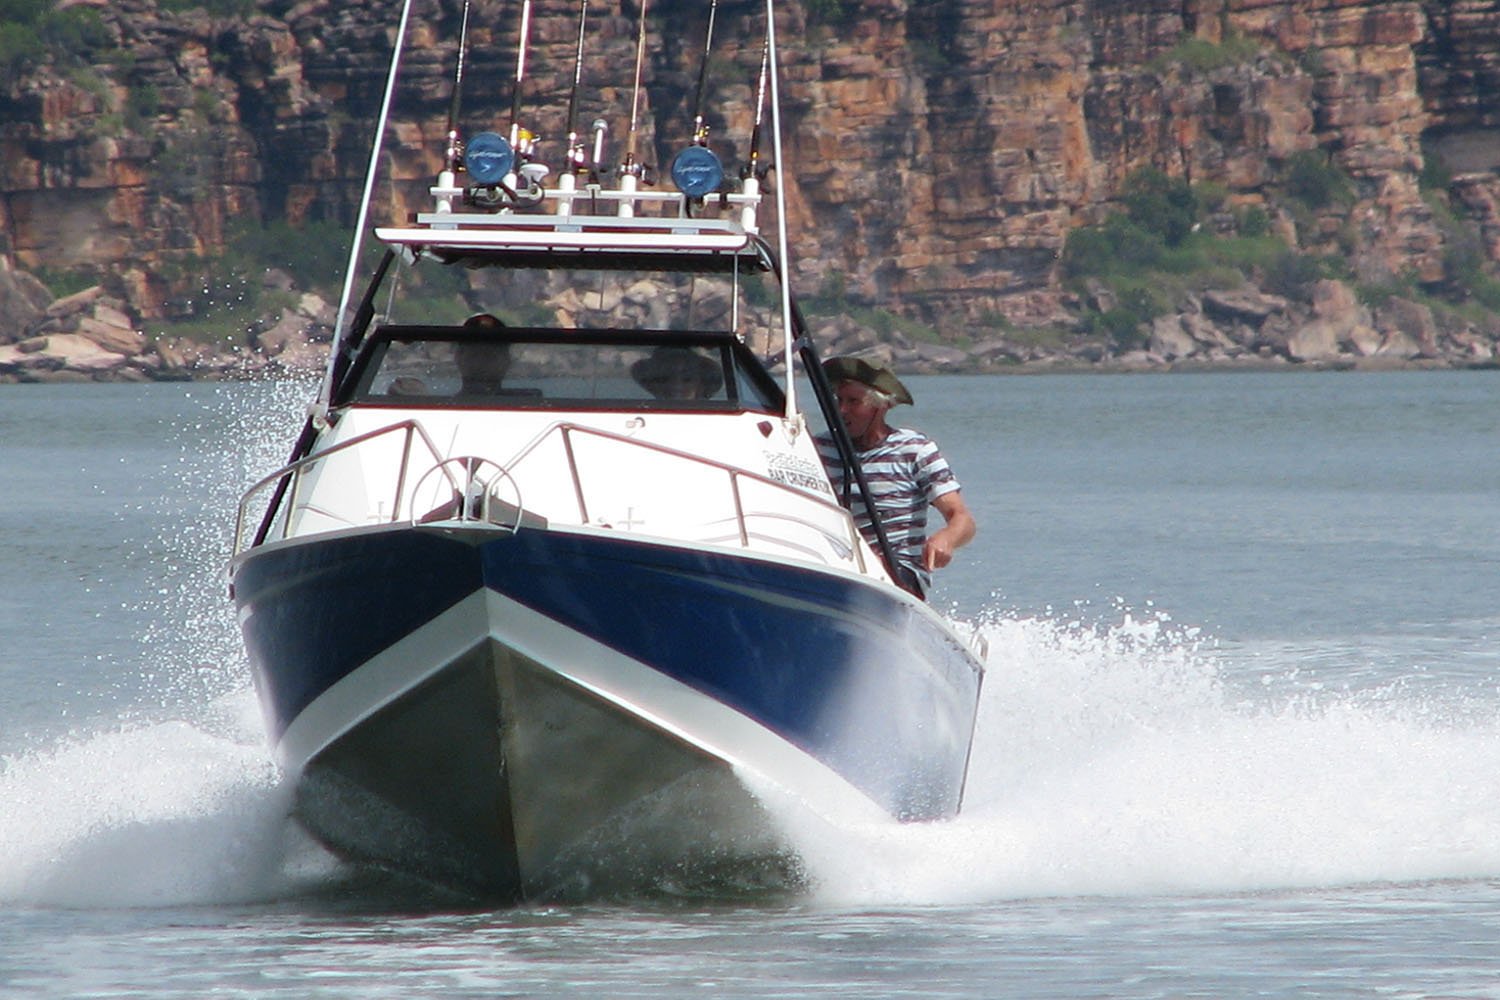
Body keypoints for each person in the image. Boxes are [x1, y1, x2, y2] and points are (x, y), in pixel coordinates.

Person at [817, 355, 976, 599]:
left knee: (874, 571)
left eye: (853, 402)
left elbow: (962, 519)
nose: (842, 410)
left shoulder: (914, 449)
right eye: (839, 400)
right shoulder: (818, 448)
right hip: (836, 566)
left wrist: (946, 539)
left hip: (898, 574)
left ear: (880, 406)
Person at [630, 346, 723, 400]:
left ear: (701, 385)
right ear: (652, 385)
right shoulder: (636, 418)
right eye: (664, 378)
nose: (675, 385)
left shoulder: (716, 422)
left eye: (687, 379)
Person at [455, 312, 511, 395]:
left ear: (506, 360)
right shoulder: (440, 407)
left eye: (489, 356)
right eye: (474, 355)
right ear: (458, 357)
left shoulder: (530, 404)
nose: (480, 362)